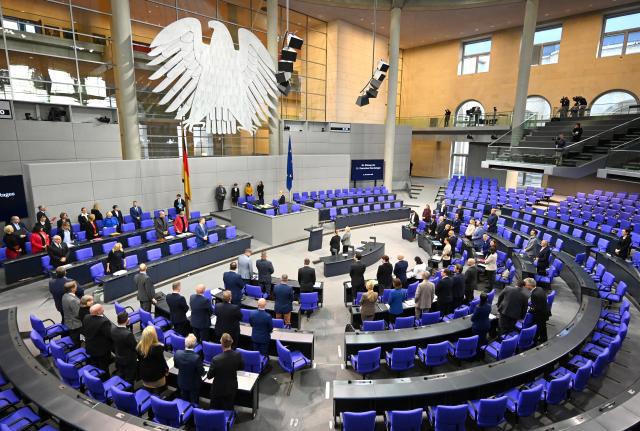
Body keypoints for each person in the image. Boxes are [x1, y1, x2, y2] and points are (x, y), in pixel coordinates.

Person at [207, 333, 244, 411]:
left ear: (221, 343)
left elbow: (209, 376)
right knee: (229, 407)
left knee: (215, 408)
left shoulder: (216, 359)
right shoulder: (238, 355)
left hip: (218, 389)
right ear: (231, 342)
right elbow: (241, 367)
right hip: (231, 388)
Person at [83, 304, 113, 376]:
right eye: (102, 308)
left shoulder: (86, 317)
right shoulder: (104, 322)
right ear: (98, 312)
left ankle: (95, 378)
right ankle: (105, 380)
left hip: (90, 347)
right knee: (104, 367)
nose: (103, 308)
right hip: (101, 350)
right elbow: (109, 335)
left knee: (95, 365)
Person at [136, 326, 168, 393]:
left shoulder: (139, 347)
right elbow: (162, 363)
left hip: (144, 376)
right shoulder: (158, 348)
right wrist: (166, 370)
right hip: (156, 379)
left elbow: (139, 359)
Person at [174, 334, 205, 403]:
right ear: (194, 345)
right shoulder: (196, 357)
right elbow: (201, 372)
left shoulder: (177, 353)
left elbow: (176, 366)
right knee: (194, 402)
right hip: (193, 385)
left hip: (181, 382)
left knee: (184, 400)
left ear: (185, 343)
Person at [111, 311, 138, 383]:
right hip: (129, 360)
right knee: (130, 378)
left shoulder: (113, 329)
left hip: (119, 357)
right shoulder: (128, 334)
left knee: (121, 374)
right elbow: (135, 347)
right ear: (127, 320)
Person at [525, 278, 549, 343]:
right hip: (545, 311)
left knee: (537, 329)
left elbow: (535, 308)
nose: (525, 286)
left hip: (540, 315)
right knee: (543, 328)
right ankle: (544, 339)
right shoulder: (539, 288)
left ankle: (533, 342)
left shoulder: (534, 294)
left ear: (530, 285)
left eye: (525, 285)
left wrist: (527, 311)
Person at [62, 281, 82, 346]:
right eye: (76, 286)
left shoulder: (65, 295)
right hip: (75, 324)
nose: (77, 287)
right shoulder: (73, 300)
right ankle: (76, 351)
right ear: (72, 289)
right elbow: (78, 314)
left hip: (68, 320)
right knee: (75, 341)